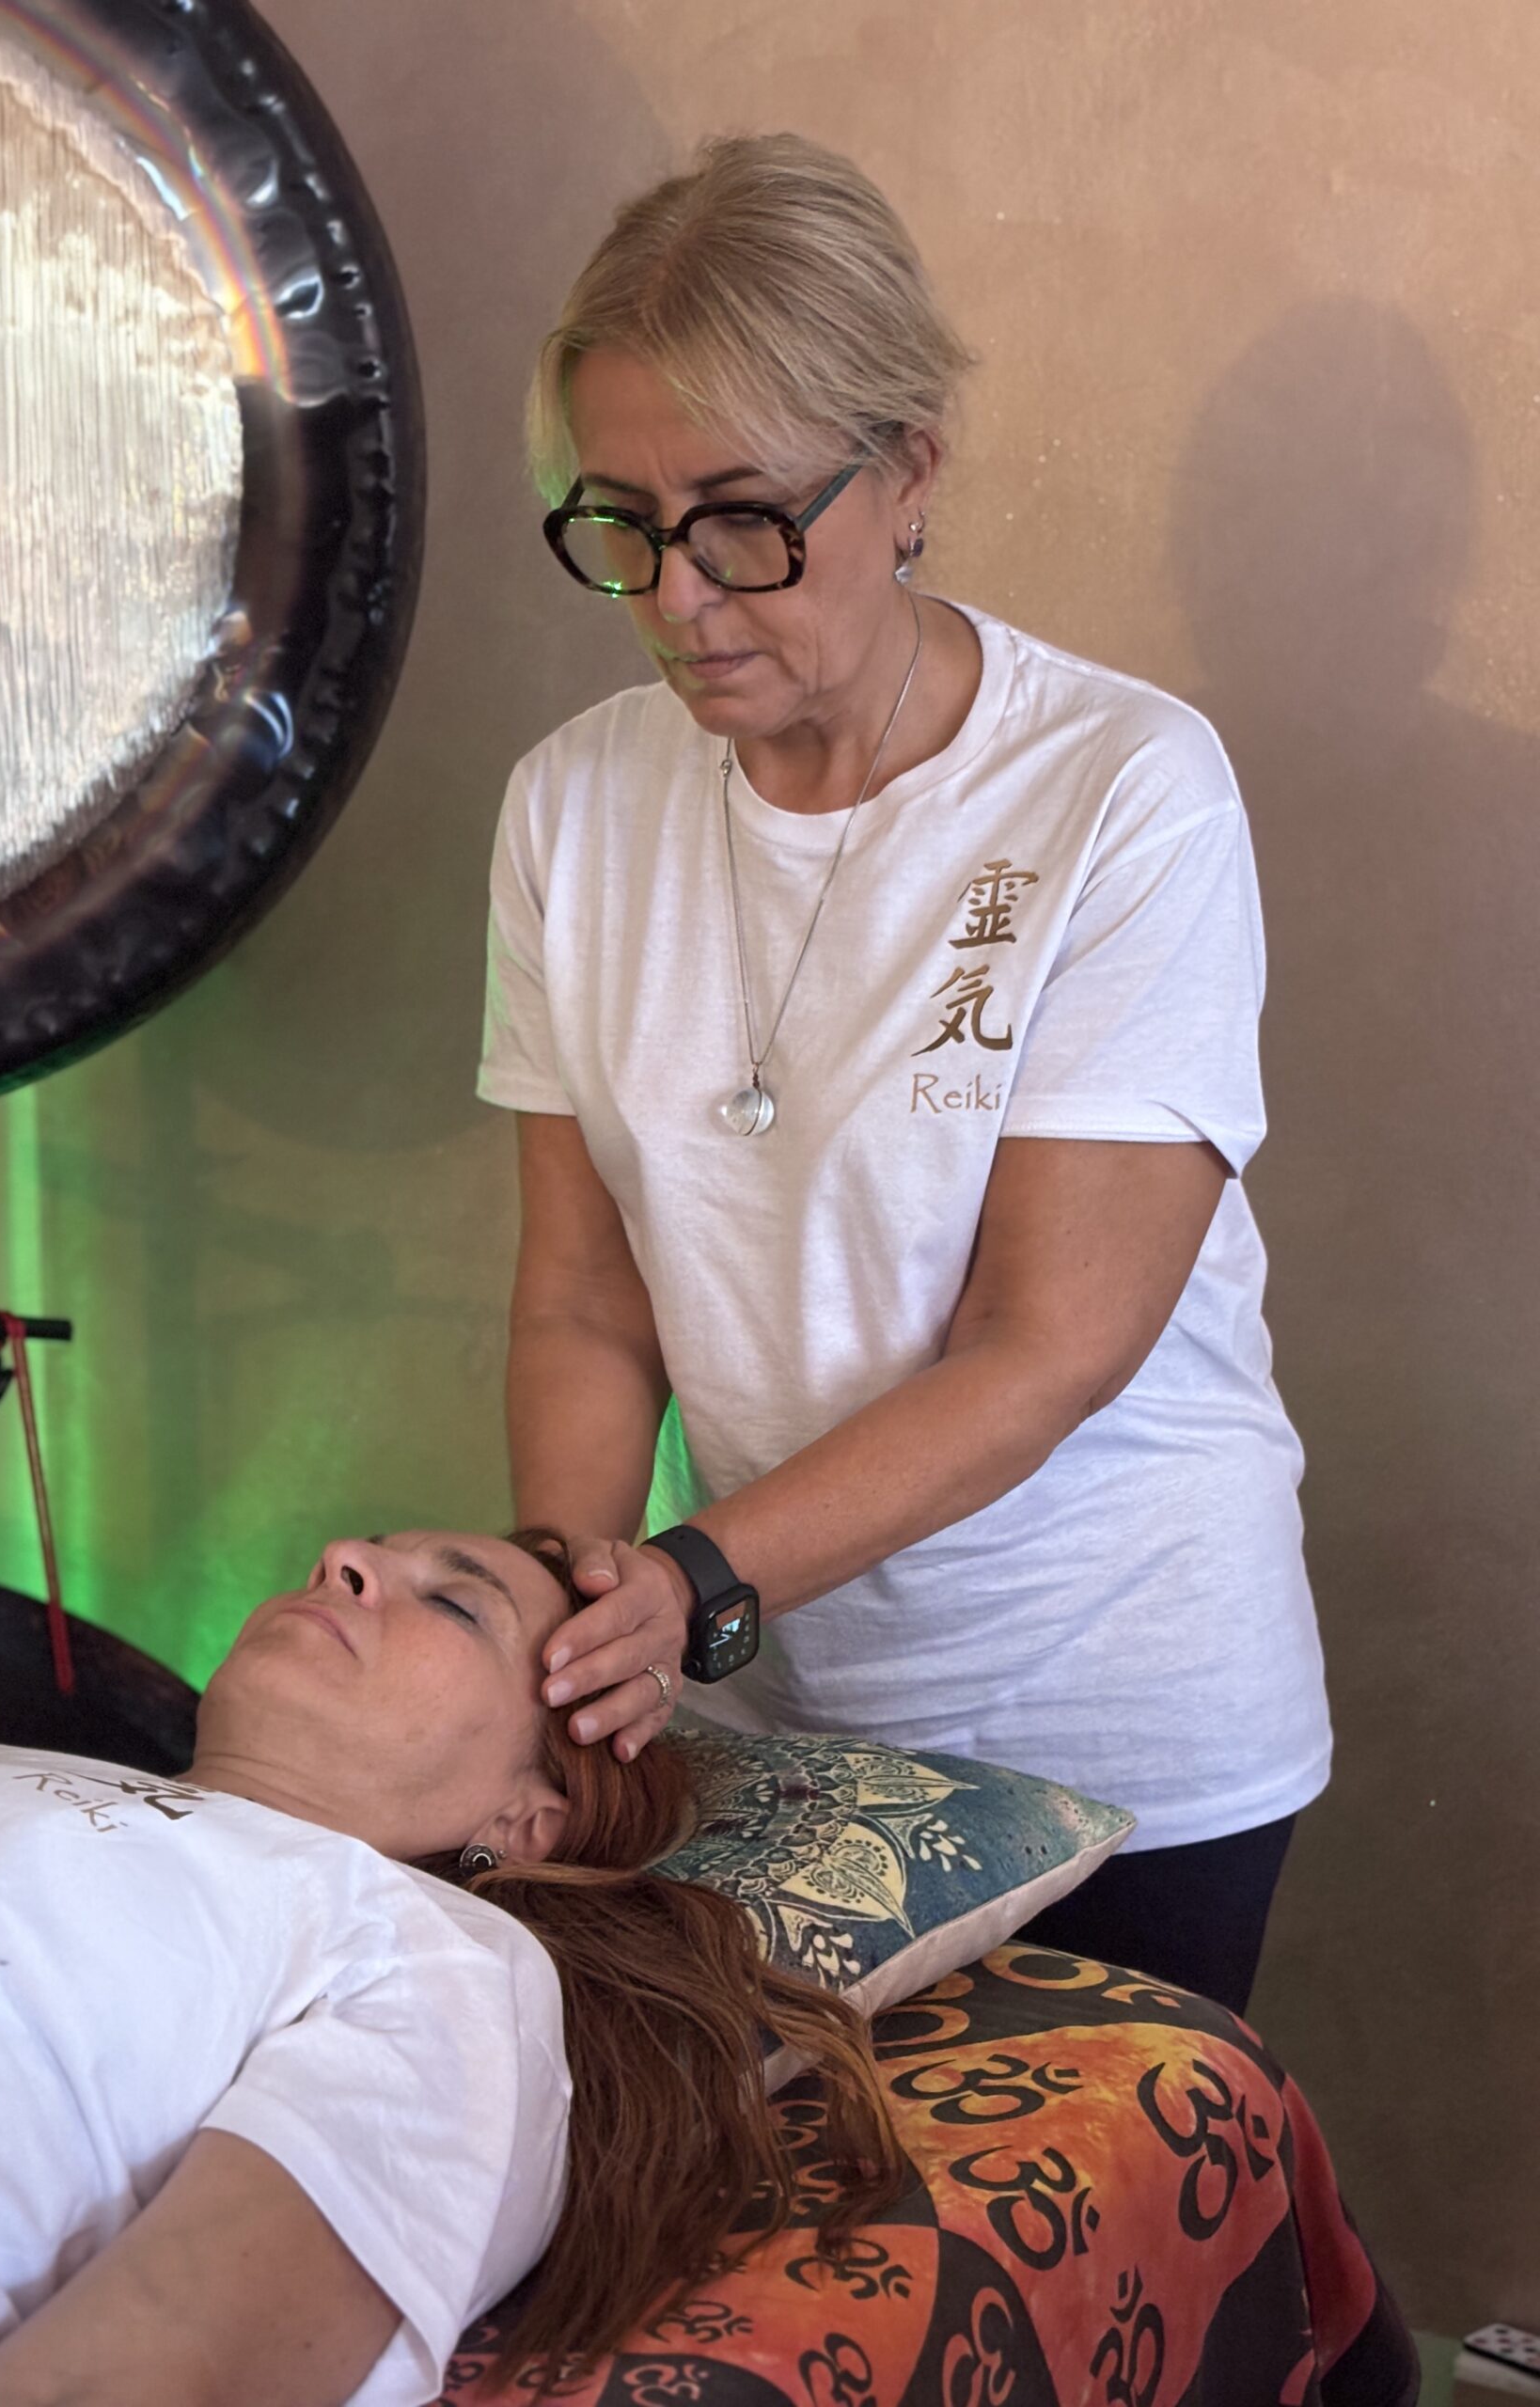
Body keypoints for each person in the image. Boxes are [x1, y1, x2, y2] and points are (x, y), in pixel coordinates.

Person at [479, 133, 1330, 2016]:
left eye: (742, 520)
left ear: (911, 471)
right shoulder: (572, 809)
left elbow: (1049, 1346)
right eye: (620, 522)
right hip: (759, 1707)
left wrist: (691, 1581)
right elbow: (585, 1301)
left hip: (1113, 1716)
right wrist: (574, 1613)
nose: (679, 596)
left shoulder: (1122, 791)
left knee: (1090, 2193)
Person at [0, 1527, 894, 2407]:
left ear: (528, 1816)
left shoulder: (435, 1953)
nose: (341, 1555)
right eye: (369, 1549)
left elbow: (152, 2363)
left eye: (455, 1603)